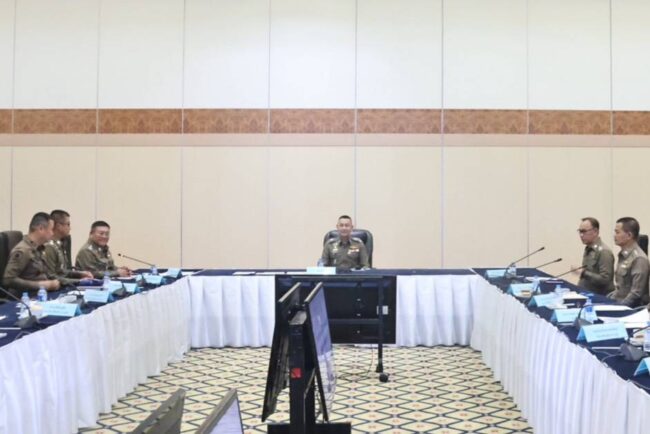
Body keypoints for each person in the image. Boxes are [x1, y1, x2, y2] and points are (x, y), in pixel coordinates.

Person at [2, 212, 61, 297]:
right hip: (24, 299)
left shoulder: (39, 248)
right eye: (51, 229)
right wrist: (41, 285)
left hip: (41, 295)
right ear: (41, 229)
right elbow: (8, 279)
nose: (52, 233)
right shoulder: (23, 250)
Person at [43, 210, 93, 285]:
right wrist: (78, 281)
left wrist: (80, 274)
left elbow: (62, 271)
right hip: (56, 288)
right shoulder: (49, 247)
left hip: (64, 284)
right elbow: (51, 277)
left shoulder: (60, 244)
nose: (70, 228)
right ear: (59, 226)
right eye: (68, 224)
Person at [608, 217, 650, 307]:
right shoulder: (624, 255)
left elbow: (636, 294)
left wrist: (618, 308)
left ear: (629, 235)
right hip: (620, 304)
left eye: (617, 232)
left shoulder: (639, 258)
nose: (614, 236)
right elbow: (620, 288)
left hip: (631, 309)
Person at [571, 217, 614, 295]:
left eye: (584, 231)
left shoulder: (604, 251)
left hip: (598, 297)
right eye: (580, 231)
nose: (581, 235)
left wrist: (583, 273)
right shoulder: (588, 248)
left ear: (595, 231)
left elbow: (605, 280)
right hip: (585, 293)